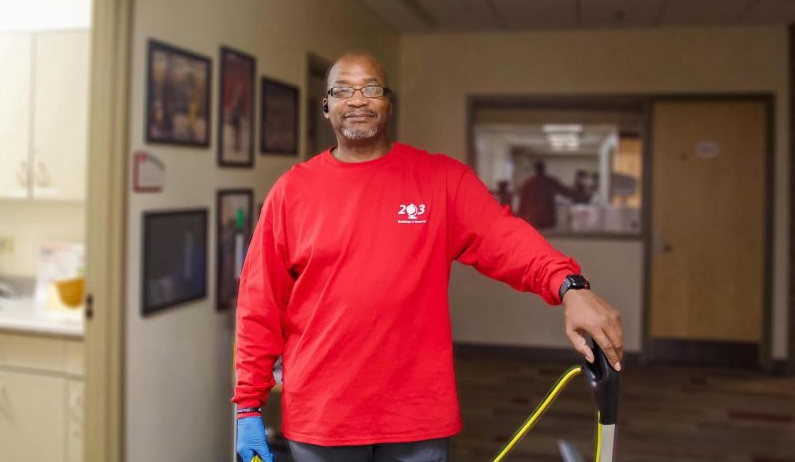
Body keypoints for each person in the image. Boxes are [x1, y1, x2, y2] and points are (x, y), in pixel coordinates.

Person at [233, 52, 623, 462]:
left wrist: (569, 285)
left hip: (416, 414)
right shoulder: (291, 192)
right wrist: (248, 405)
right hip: (323, 414)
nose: (359, 100)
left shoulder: (440, 180)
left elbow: (506, 239)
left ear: (389, 103)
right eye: (343, 90)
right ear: (326, 106)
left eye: (371, 89)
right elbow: (259, 304)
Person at [516, 160, 577, 229]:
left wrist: (520, 218)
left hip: (532, 218)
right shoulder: (550, 181)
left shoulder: (528, 184)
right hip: (547, 219)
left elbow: (522, 203)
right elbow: (566, 192)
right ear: (544, 169)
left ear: (535, 169)